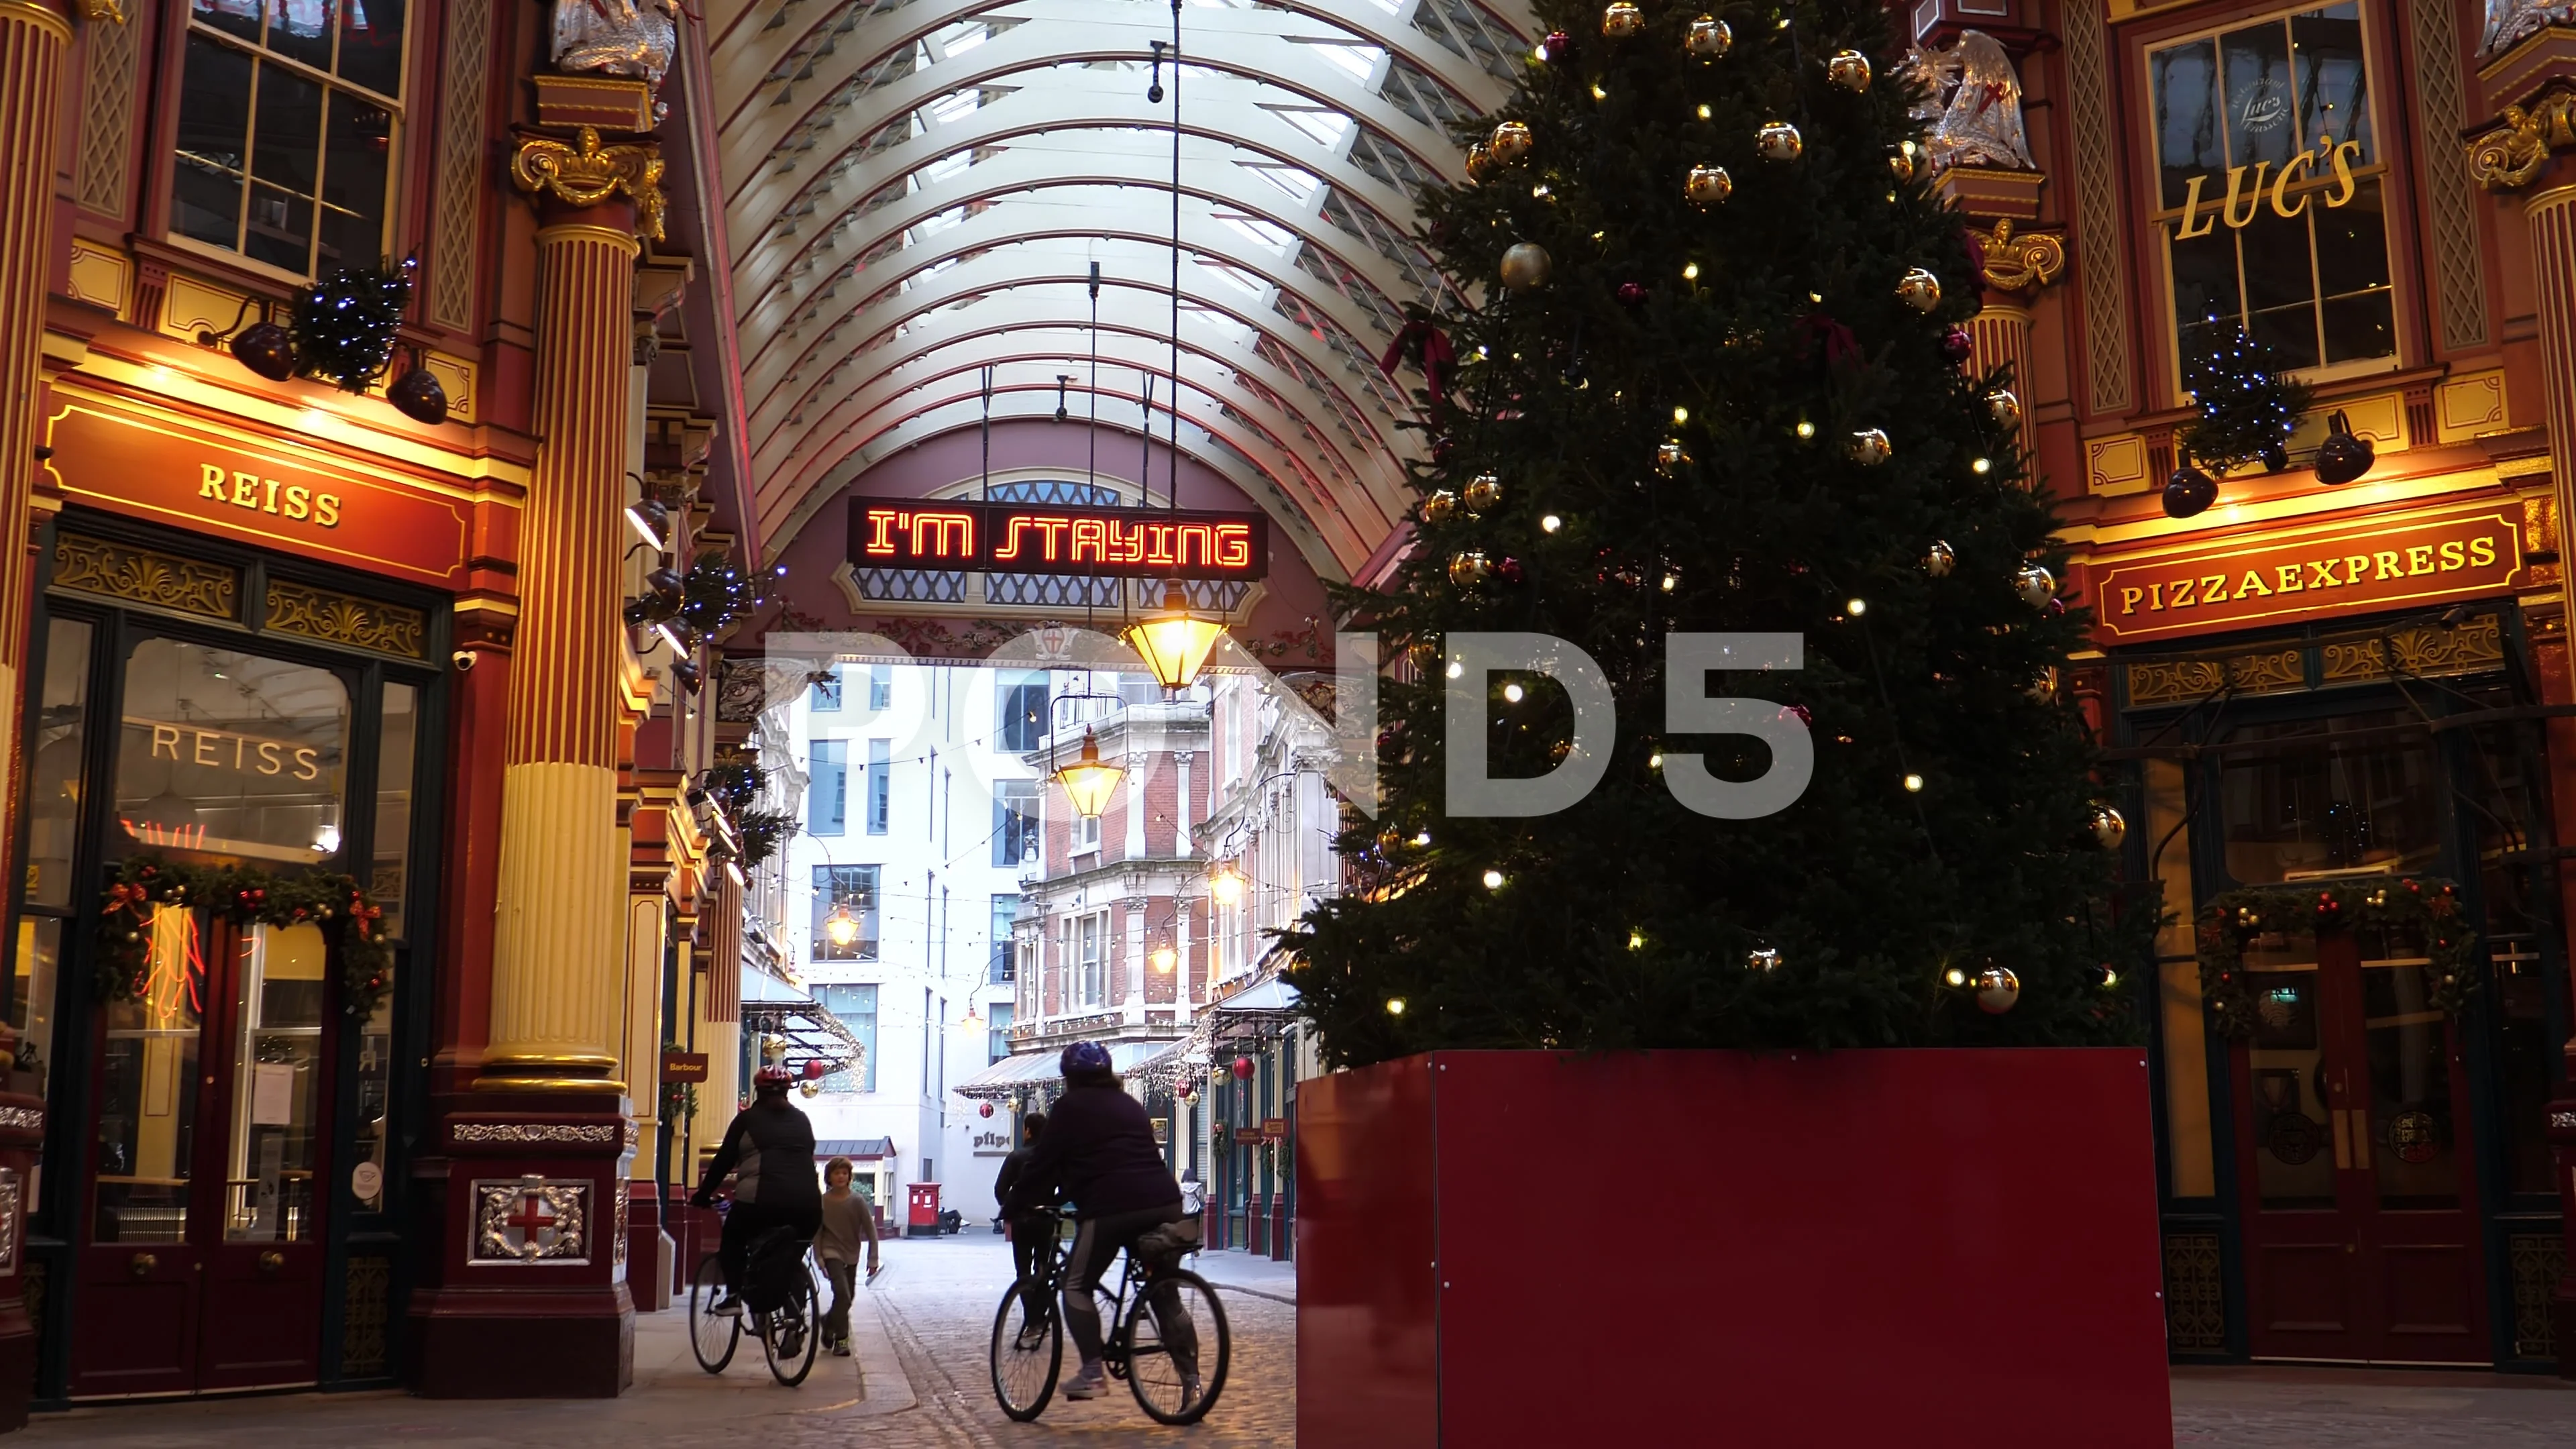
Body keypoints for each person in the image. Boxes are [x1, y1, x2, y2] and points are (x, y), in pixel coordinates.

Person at [1000, 1042, 1195, 1403]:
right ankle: (1193, 1380)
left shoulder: (1069, 1107)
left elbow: (1042, 1166)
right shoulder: (1131, 1106)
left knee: (1075, 1285)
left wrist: (1012, 1205)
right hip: (1165, 1203)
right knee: (1165, 1292)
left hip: (1111, 1208)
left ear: (1070, 1078)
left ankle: (1092, 1372)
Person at [691, 1064, 822, 1318]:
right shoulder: (802, 1119)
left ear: (757, 1092)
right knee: (790, 1256)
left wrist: (703, 1193)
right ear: (787, 1093)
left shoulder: (747, 1120)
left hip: (762, 1203)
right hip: (809, 1206)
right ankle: (794, 1319)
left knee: (733, 1239)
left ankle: (733, 1297)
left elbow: (723, 1161)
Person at [993, 1111, 1050, 1346]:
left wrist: (1012, 1207)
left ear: (1027, 1130)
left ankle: (1033, 1320)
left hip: (1023, 1222)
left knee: (1023, 1272)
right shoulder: (1051, 1158)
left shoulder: (1016, 1157)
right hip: (1047, 1220)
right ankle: (1042, 1315)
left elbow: (999, 1190)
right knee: (1045, 1269)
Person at [814, 1157, 880, 1356]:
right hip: (830, 1250)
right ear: (829, 1178)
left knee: (848, 1297)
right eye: (837, 1173)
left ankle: (828, 1321)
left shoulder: (857, 1201)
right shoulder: (823, 1202)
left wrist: (873, 1259)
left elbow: (871, 1231)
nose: (841, 1177)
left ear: (849, 1176)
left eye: (845, 1173)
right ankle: (842, 1340)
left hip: (851, 1253)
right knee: (842, 1293)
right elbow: (817, 1231)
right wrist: (819, 1257)